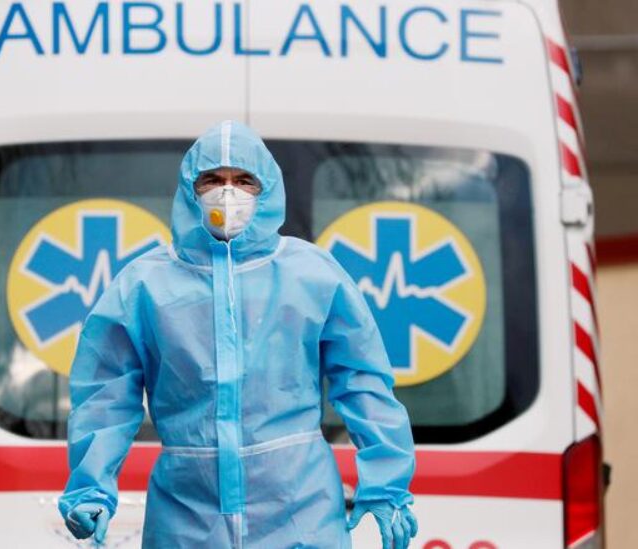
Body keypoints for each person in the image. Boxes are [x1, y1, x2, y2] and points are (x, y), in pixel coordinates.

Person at [58, 121, 418, 548]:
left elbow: (362, 380)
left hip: (300, 508)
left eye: (243, 180)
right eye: (212, 179)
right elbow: (105, 394)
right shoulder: (144, 285)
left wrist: (386, 481)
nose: (227, 193)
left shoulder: (311, 274)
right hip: (186, 514)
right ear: (189, 190)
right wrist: (91, 484)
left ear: (266, 189)